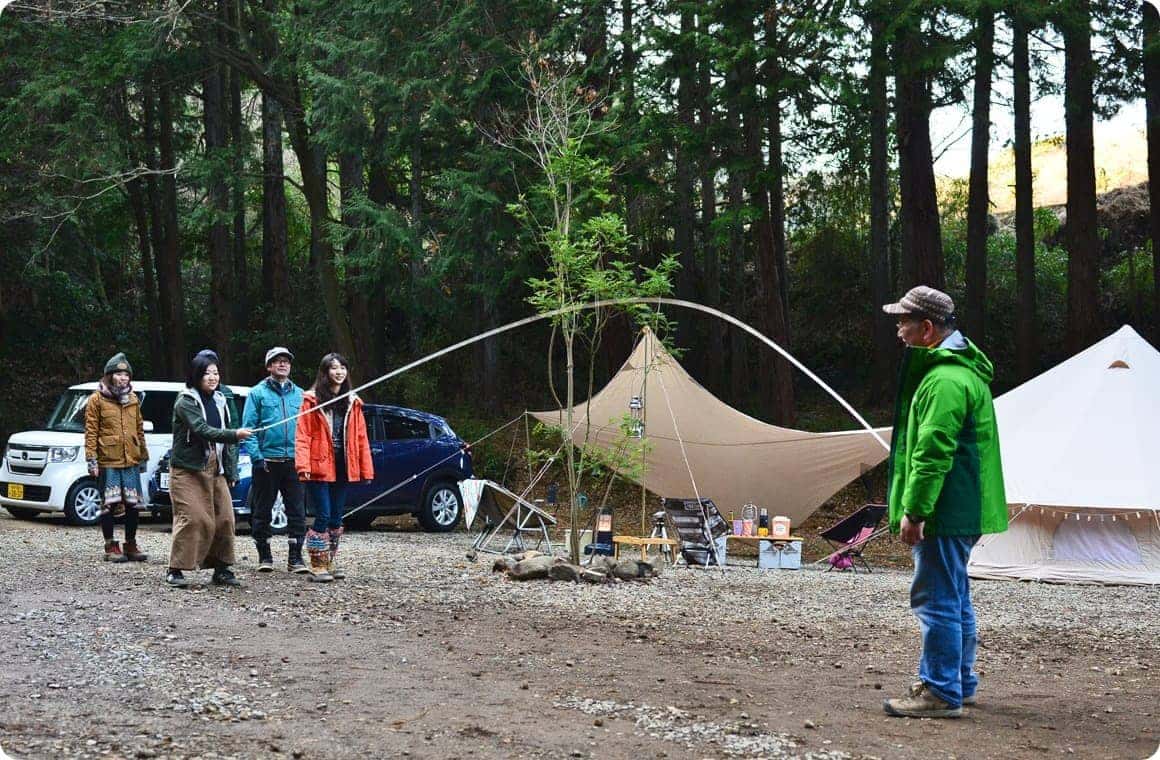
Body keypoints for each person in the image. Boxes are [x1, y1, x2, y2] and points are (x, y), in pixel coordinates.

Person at [880, 286, 1008, 719]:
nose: (898, 329)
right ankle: (960, 683)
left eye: (903, 321)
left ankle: (939, 691)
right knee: (955, 596)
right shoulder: (961, 372)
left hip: (945, 510)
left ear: (928, 329)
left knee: (935, 599)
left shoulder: (944, 379)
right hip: (961, 507)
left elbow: (933, 452)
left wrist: (915, 512)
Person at [165, 353, 253, 588]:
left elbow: (225, 440)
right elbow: (201, 429)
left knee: (225, 518)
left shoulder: (221, 400)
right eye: (207, 373)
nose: (213, 377)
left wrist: (231, 470)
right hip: (187, 469)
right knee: (194, 518)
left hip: (216, 468)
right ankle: (176, 569)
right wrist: (235, 435)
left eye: (215, 372)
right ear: (196, 376)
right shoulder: (185, 401)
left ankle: (221, 569)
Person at [294, 353, 373, 582]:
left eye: (342, 368)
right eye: (334, 368)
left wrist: (365, 469)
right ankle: (317, 565)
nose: (339, 372)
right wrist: (303, 465)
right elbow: (303, 435)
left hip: (343, 465)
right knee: (323, 515)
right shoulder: (311, 400)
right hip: (319, 465)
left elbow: (360, 437)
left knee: (337, 517)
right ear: (325, 372)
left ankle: (329, 561)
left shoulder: (353, 402)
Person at [241, 347, 308, 573]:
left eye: (286, 361)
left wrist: (305, 457)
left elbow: (307, 429)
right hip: (267, 461)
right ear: (269, 366)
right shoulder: (257, 393)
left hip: (293, 461)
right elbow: (248, 428)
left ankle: (296, 558)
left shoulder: (300, 394)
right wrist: (257, 457)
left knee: (297, 511)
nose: (282, 365)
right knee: (262, 510)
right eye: (277, 361)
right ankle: (264, 556)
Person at [84, 352, 149, 563]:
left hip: (130, 458)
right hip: (107, 459)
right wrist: (91, 460)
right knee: (109, 504)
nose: (123, 378)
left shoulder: (133, 398)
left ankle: (131, 543)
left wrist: (143, 456)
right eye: (119, 374)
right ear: (109, 375)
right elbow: (91, 431)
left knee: (133, 503)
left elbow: (139, 429)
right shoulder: (96, 399)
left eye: (126, 375)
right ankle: (110, 544)